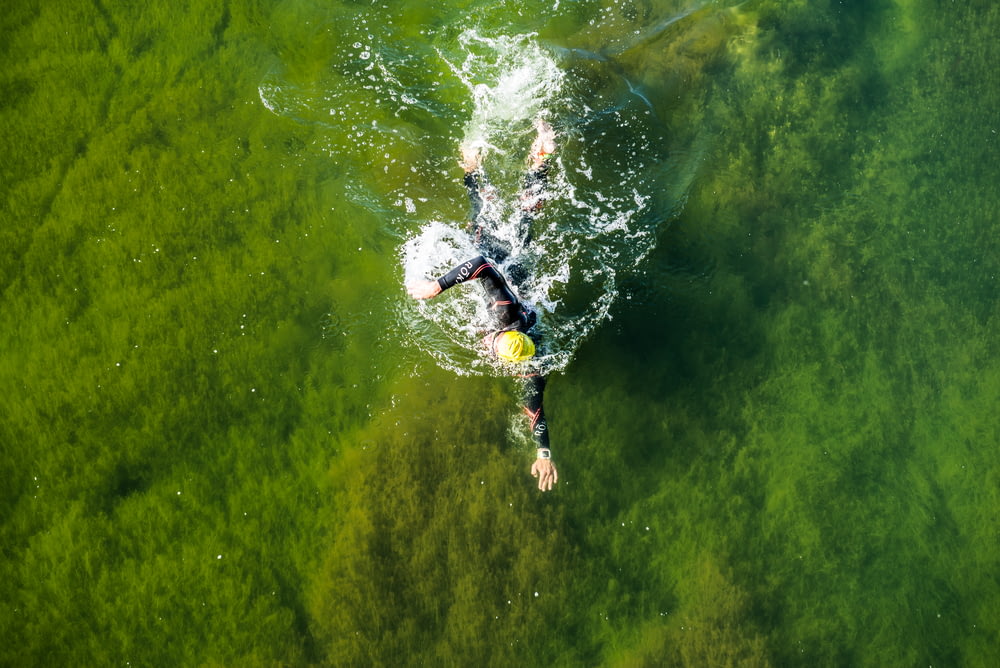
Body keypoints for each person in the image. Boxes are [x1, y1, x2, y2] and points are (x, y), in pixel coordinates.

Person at [407, 120, 559, 492]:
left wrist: (544, 454)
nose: (487, 347)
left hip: (520, 274)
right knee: (488, 211)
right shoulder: (504, 316)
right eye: (492, 346)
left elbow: (536, 410)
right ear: (500, 337)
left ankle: (539, 154)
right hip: (504, 259)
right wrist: (436, 286)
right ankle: (478, 163)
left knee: (527, 214)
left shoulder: (530, 363)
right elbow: (481, 264)